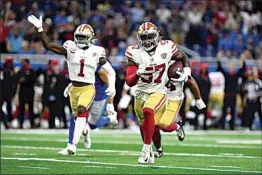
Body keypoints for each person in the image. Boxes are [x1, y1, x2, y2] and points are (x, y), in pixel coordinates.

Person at [27, 15, 115, 154]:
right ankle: (85, 130)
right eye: (78, 37)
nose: (80, 40)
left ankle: (72, 145)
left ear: (91, 38)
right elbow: (48, 45)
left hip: (88, 88)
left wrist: (112, 88)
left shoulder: (97, 51)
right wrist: (39, 28)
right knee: (76, 118)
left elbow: (110, 71)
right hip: (74, 88)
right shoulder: (70, 47)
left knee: (81, 111)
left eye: (83, 37)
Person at [125, 22, 191, 164]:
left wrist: (187, 71)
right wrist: (137, 74)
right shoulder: (133, 52)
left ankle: (145, 150)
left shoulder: (166, 47)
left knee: (148, 111)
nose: (147, 40)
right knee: (144, 126)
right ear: (139, 38)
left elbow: (183, 56)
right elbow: (129, 82)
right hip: (140, 93)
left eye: (150, 36)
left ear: (157, 36)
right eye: (144, 37)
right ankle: (150, 153)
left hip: (158, 91)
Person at [58, 66, 117, 155]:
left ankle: (109, 119)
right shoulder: (77, 61)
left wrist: (110, 103)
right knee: (75, 116)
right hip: (85, 93)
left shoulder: (96, 66)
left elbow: (110, 84)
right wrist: (71, 85)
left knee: (93, 124)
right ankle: (70, 145)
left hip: (99, 96)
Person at [216, 54, 246, 130]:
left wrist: (243, 61)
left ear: (234, 68)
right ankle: (222, 126)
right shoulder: (226, 74)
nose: (231, 68)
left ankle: (231, 126)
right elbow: (220, 68)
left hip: (233, 96)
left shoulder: (236, 75)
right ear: (229, 67)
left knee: (233, 112)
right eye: (230, 66)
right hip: (226, 96)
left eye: (233, 66)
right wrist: (219, 60)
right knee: (224, 112)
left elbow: (243, 69)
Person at [16, 58, 37, 128]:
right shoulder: (20, 71)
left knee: (31, 108)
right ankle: (20, 124)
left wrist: (25, 80)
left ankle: (32, 124)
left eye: (23, 62)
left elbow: (34, 80)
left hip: (30, 92)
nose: (22, 63)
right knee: (21, 108)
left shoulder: (32, 71)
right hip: (22, 92)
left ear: (27, 63)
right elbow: (17, 80)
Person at [2, 57, 17, 122]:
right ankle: (4, 120)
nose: (9, 63)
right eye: (8, 62)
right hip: (2, 92)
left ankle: (9, 121)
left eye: (10, 62)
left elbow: (15, 82)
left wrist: (14, 92)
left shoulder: (14, 71)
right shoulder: (3, 70)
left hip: (10, 92)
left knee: (9, 107)